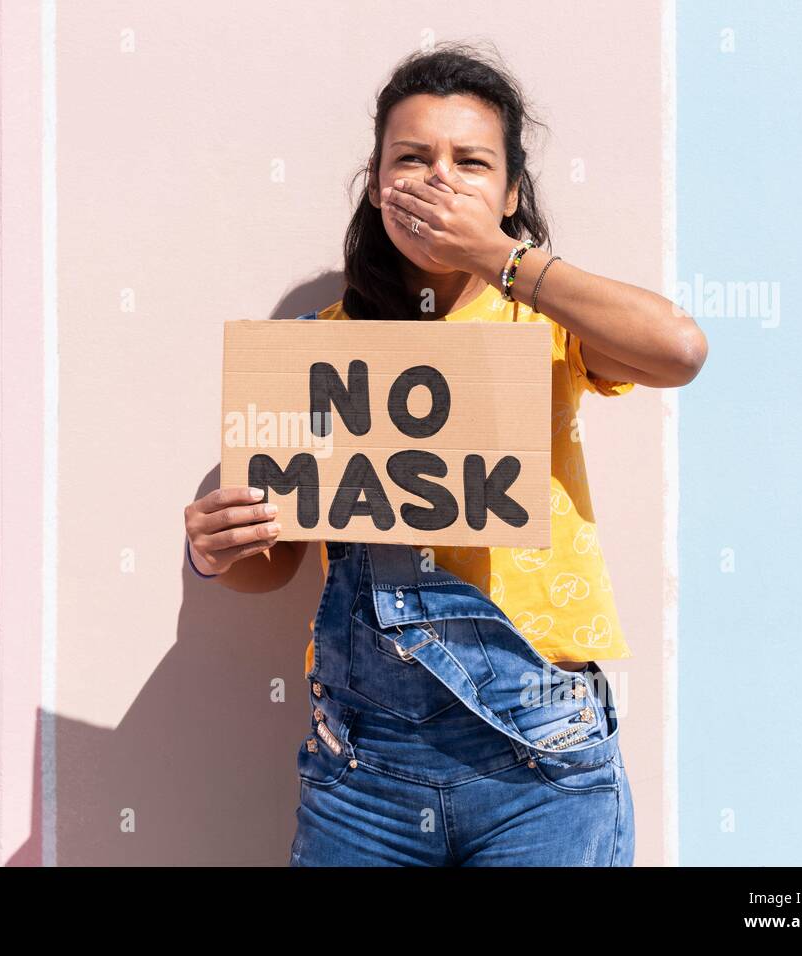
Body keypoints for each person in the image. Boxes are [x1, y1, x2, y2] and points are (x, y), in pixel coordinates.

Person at [183, 42, 706, 866]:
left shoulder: (544, 328)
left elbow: (679, 349)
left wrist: (496, 255)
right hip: (361, 766)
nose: (439, 180)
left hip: (543, 758)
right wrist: (220, 549)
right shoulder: (316, 351)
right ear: (376, 180)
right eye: (412, 159)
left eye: (470, 162)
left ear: (510, 191)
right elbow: (273, 564)